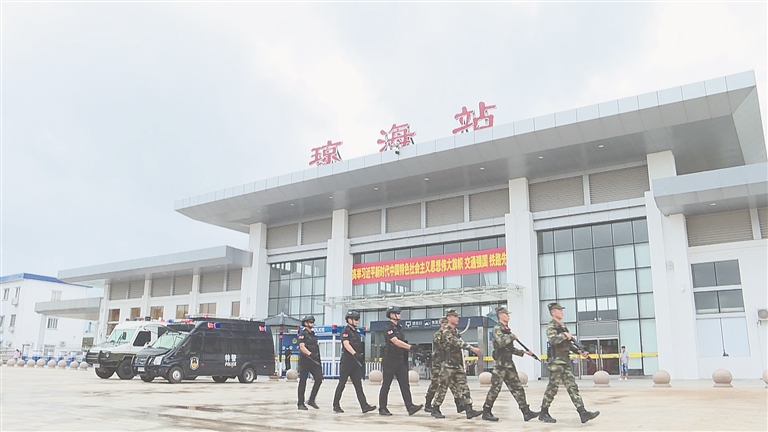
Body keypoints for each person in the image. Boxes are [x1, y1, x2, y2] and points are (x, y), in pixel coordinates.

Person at [539, 303, 599, 424]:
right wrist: (564, 335)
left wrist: (579, 351)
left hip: (565, 361)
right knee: (553, 387)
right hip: (556, 362)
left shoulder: (563, 326)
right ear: (553, 312)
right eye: (559, 310)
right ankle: (543, 412)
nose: (562, 312)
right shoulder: (551, 326)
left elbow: (568, 345)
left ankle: (582, 412)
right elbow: (553, 340)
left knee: (572, 387)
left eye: (561, 310)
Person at [482, 306, 539, 422]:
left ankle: (526, 412)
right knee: (495, 388)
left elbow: (510, 349)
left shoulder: (507, 330)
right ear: (500, 316)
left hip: (509, 363)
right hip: (500, 364)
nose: (508, 316)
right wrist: (512, 336)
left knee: (517, 387)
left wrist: (524, 352)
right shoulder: (497, 328)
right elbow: (501, 342)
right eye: (506, 314)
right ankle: (486, 411)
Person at [430, 308, 483, 420]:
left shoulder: (455, 331)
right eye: (454, 316)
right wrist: (472, 348)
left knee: (463, 386)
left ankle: (469, 409)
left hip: (456, 364)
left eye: (457, 316)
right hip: (448, 364)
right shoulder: (446, 332)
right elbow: (457, 342)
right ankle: (435, 408)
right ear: (449, 318)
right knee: (443, 387)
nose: (457, 318)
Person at [378, 305, 423, 416]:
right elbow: (395, 341)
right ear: (391, 315)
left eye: (399, 313)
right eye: (397, 313)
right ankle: (382, 408)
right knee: (386, 385)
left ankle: (410, 407)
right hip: (390, 359)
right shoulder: (388, 327)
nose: (399, 315)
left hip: (400, 359)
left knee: (405, 384)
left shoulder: (399, 328)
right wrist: (410, 347)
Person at [333, 310, 377, 414]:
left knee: (358, 385)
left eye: (357, 319)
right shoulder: (345, 331)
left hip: (355, 362)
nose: (357, 321)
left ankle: (364, 406)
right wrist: (354, 353)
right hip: (347, 361)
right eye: (355, 319)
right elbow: (346, 344)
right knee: (342, 383)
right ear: (349, 320)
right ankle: (336, 405)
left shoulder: (356, 332)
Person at [424, 318, 462, 414]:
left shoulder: (452, 333)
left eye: (446, 323)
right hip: (438, 364)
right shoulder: (438, 334)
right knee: (435, 384)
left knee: (453, 383)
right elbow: (441, 346)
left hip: (448, 363)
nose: (445, 324)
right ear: (440, 324)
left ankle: (459, 404)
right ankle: (428, 403)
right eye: (443, 323)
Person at [297, 315, 322, 410]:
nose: (312, 323)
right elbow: (302, 347)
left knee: (319, 379)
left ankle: (311, 400)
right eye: (310, 322)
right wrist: (310, 354)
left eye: (312, 322)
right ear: (305, 323)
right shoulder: (303, 334)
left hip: (314, 361)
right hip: (305, 361)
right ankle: (300, 403)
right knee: (302, 382)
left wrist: (317, 359)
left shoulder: (313, 334)